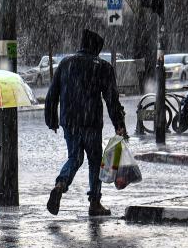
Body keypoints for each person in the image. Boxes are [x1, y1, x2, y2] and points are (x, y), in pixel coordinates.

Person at [44, 29, 127, 217]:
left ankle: (61, 184)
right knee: (95, 161)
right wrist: (119, 124)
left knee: (74, 157)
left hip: (70, 120)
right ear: (96, 47)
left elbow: (52, 95)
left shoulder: (65, 63)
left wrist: (52, 119)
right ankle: (95, 202)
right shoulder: (103, 67)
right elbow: (111, 99)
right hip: (91, 121)